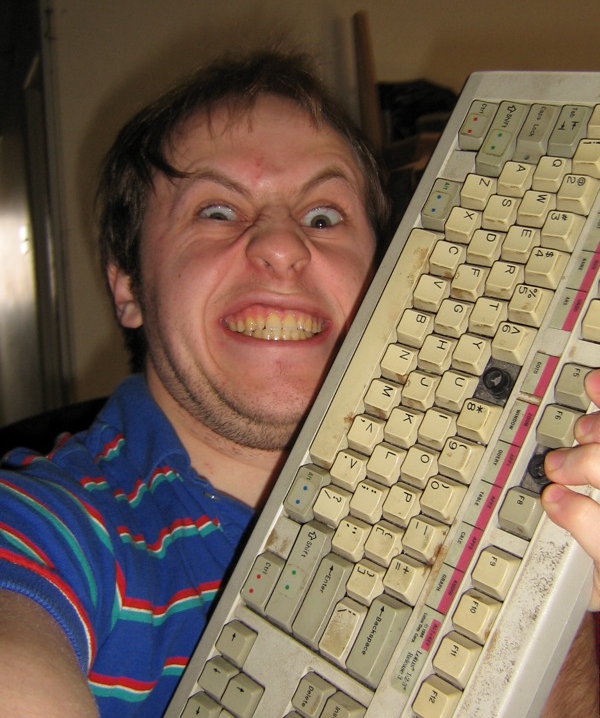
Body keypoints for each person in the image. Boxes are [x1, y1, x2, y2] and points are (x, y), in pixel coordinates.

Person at [0, 48, 597, 717]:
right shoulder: (47, 527)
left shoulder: (485, 496)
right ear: (128, 286)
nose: (283, 246)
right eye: (217, 211)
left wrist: (552, 581)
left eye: (323, 217)